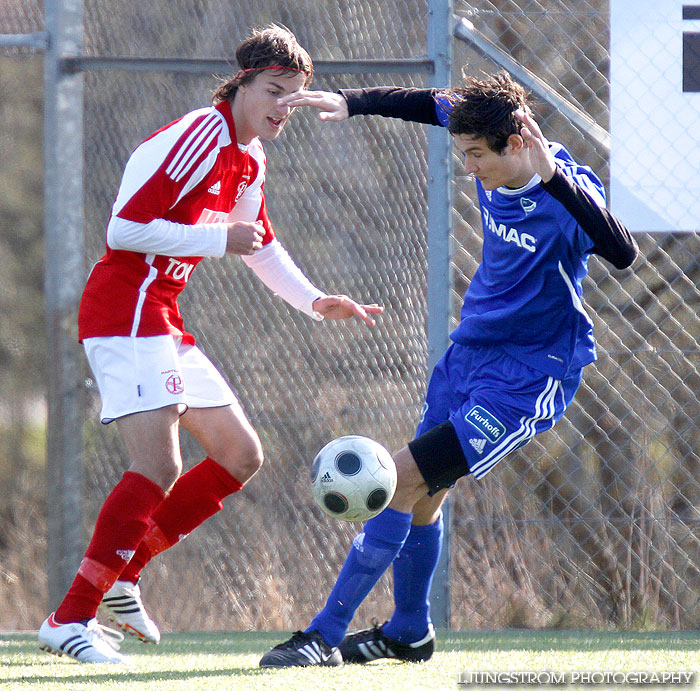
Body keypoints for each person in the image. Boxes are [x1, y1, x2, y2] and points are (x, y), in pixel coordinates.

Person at [259, 70, 638, 668]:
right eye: (463, 153)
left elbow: (622, 251)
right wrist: (352, 101)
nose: (468, 167)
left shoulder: (563, 191)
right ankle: (409, 630)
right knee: (423, 496)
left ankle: (322, 635)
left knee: (400, 480)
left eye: (477, 156)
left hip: (528, 377)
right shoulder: (483, 119)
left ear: (518, 143)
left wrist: (555, 179)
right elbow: (424, 103)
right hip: (469, 356)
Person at [38, 24, 383, 664]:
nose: (284, 108)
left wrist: (315, 300)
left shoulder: (250, 156)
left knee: (239, 454)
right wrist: (214, 240)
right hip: (124, 309)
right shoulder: (204, 133)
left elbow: (259, 242)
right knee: (158, 467)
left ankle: (123, 574)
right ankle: (70, 619)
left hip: (160, 314)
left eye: (295, 97)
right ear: (243, 84)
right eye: (274, 92)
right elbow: (125, 228)